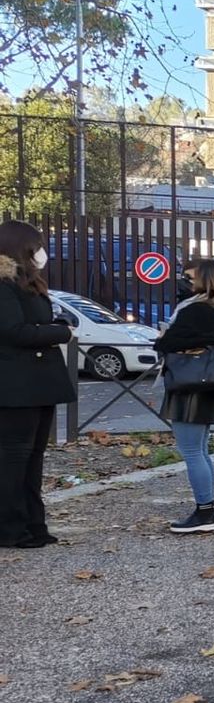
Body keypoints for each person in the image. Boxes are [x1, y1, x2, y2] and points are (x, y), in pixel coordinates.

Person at [0, 221, 76, 549]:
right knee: (14, 460)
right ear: (23, 248)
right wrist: (59, 331)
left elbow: (34, 324)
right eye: (39, 245)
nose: (43, 252)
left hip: (39, 383)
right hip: (16, 386)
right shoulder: (3, 286)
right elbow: (15, 331)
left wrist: (52, 325)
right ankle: (11, 528)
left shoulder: (27, 283)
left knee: (34, 458)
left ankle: (34, 522)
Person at [155, 259, 214, 534]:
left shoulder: (196, 309)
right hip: (205, 384)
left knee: (192, 450)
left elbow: (168, 343)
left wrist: (165, 337)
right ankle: (207, 506)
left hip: (189, 385)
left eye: (188, 278)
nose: (183, 282)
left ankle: (205, 511)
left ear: (205, 280)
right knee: (200, 449)